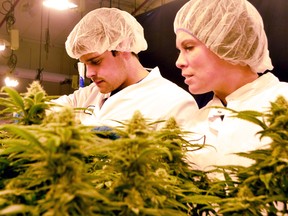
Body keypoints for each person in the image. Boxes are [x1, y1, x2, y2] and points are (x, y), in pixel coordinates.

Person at [173, 0, 288, 172]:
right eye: (179, 51)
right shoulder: (194, 124)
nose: (179, 62)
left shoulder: (284, 103)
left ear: (226, 41)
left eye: (189, 47)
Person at [52, 7, 198, 130]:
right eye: (85, 65)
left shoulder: (174, 103)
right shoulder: (89, 94)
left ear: (123, 47)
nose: (89, 73)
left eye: (95, 62)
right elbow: (47, 110)